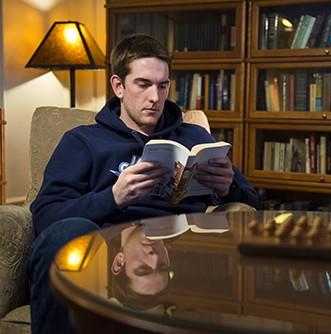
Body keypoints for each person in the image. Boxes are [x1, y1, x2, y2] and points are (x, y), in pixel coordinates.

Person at [26, 33, 259, 334]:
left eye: (163, 86)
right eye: (143, 84)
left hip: (184, 249)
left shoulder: (195, 138)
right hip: (100, 253)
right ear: (118, 86)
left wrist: (228, 188)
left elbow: (251, 202)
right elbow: (45, 216)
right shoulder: (83, 141)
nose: (155, 97)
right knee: (67, 235)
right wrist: (113, 197)